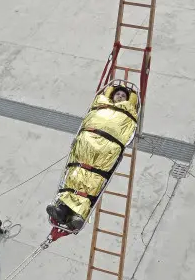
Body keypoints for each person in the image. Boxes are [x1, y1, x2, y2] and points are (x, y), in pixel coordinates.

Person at [46, 85, 138, 230]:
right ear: (112, 96)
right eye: (118, 94)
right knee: (76, 173)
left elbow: (129, 131)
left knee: (94, 178)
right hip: (87, 142)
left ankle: (78, 214)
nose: (120, 96)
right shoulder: (100, 105)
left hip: (107, 148)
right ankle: (62, 209)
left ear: (127, 100)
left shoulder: (128, 113)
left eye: (123, 96)